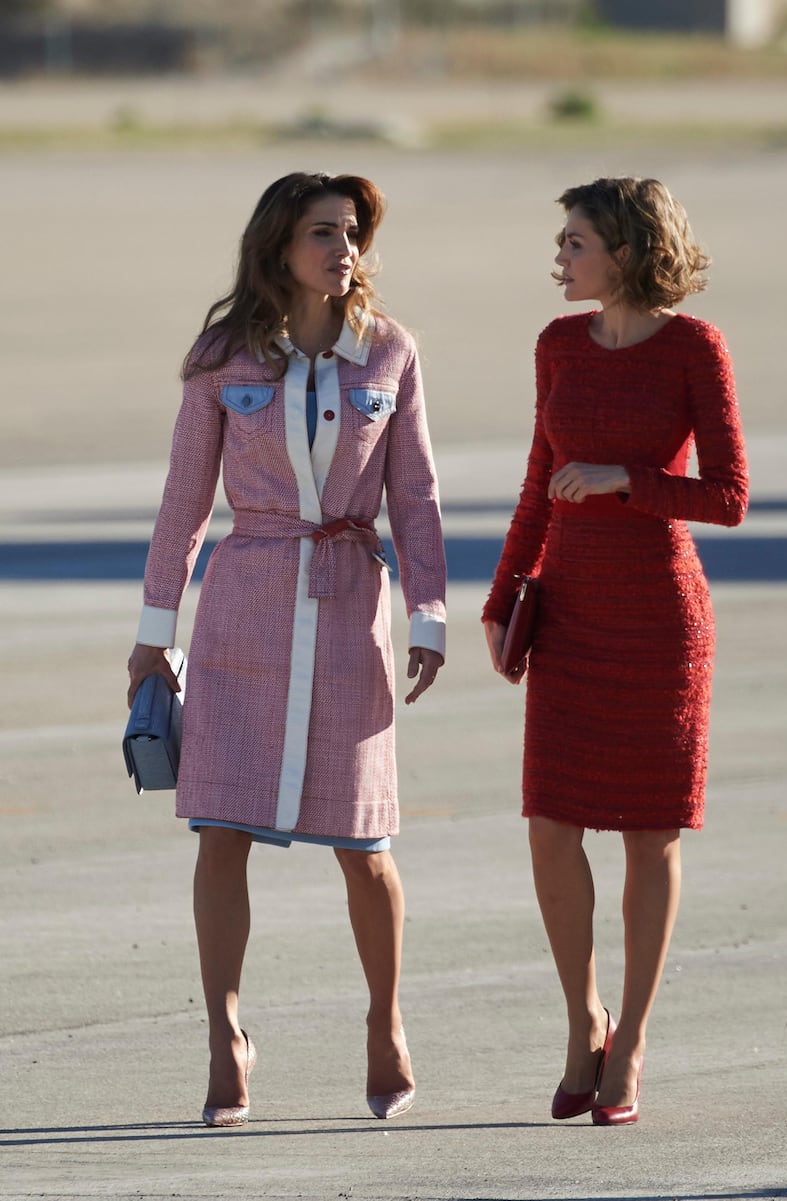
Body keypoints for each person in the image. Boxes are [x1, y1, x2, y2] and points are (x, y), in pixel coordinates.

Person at [127, 171, 446, 1126]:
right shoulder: (223, 358)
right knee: (221, 830)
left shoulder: (389, 351)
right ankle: (224, 1030)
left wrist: (428, 614)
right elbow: (184, 504)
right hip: (245, 611)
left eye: (350, 232)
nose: (342, 248)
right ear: (278, 248)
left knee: (366, 844)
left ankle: (385, 1020)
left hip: (353, 610)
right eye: (322, 232)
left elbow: (417, 496)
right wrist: (155, 635)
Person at [482, 177, 748, 1126]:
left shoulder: (693, 349)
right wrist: (505, 589)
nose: (560, 257)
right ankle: (580, 1019)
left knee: (649, 833)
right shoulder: (558, 345)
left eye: (576, 242)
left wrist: (628, 481)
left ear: (627, 251)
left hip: (660, 621)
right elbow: (535, 480)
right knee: (551, 824)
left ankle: (630, 1038)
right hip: (572, 614)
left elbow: (727, 496)